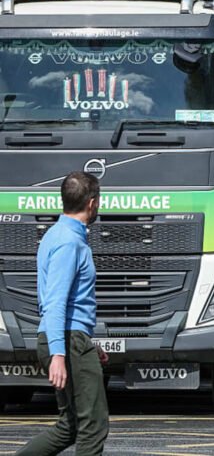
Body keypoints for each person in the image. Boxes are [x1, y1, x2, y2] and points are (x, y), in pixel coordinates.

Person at [17, 172, 109, 456]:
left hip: (70, 338)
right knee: (93, 426)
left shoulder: (55, 235)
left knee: (69, 426)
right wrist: (59, 354)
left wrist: (86, 344)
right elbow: (56, 301)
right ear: (92, 204)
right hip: (66, 341)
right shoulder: (70, 242)